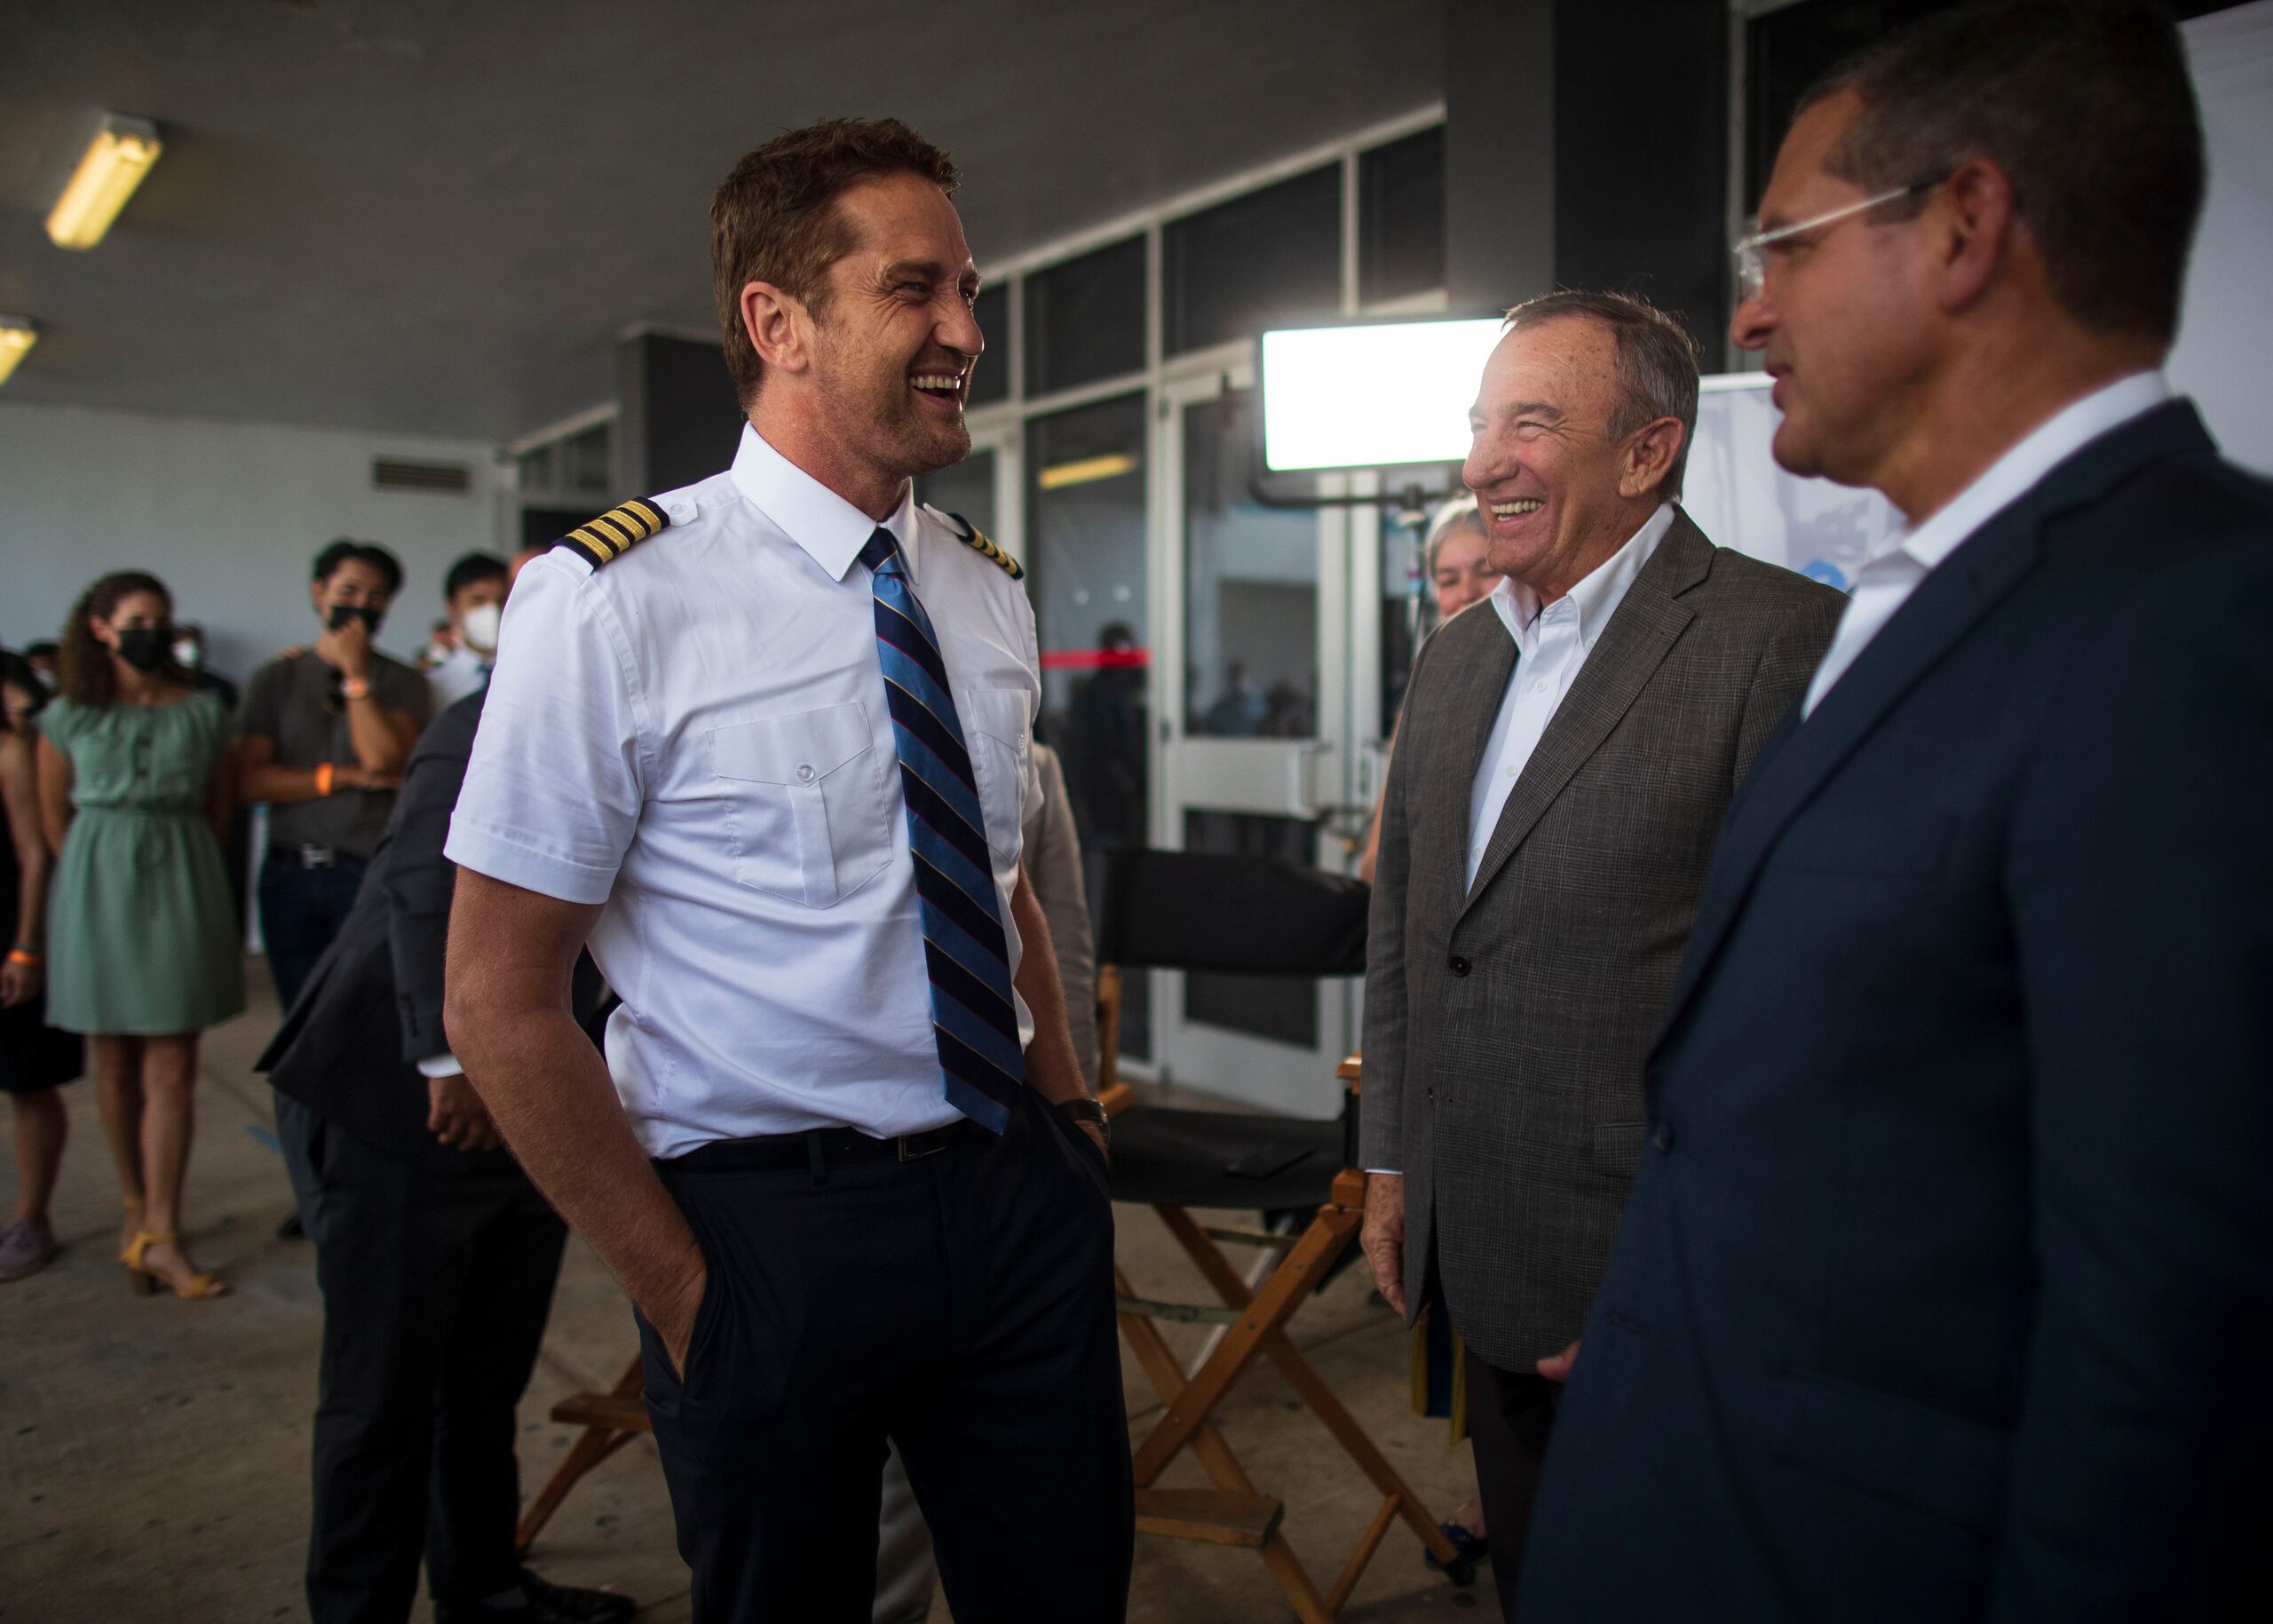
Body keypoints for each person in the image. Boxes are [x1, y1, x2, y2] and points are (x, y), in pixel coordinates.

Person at [1517, 7, 2273, 1620]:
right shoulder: (1920, 592)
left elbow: (2178, 1331)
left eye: (1785, 240)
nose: (1752, 304)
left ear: (1965, 227)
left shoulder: (2199, 625)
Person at [441, 117, 1130, 1622]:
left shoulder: (981, 586)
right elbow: (499, 997)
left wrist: (1068, 1118)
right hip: (767, 1236)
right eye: (919, 288)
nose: (969, 329)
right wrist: (687, 1296)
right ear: (779, 321)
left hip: (1015, 1205)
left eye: (970, 288)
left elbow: (995, 878)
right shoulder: (615, 598)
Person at [1358, 289, 1844, 1612]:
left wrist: (1685, 1268)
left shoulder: (1775, 643)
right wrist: (1393, 1159)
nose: (1481, 463)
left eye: (1531, 422)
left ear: (1647, 453)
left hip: (1661, 1288)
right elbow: (1411, 937)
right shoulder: (1458, 660)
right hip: (1488, 1254)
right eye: (1477, 426)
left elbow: (1797, 1013)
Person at [258, 676, 635, 1624]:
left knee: (483, 1374)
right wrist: (451, 1056)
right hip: (401, 1093)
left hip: (532, 1086)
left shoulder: (651, 708)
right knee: (380, 1393)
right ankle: (358, 1605)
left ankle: (483, 1586)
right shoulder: (497, 713)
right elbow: (427, 882)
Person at [36, 572, 247, 1299]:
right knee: (113, 1063)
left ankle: (163, 1227)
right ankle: (135, 1208)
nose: (150, 630)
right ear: (99, 627)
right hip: (96, 884)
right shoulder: (67, 716)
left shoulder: (203, 711)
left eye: (160, 617)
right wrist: (98, 877)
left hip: (181, 869)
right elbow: (53, 818)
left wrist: (178, 862)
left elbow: (221, 811)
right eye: (136, 619)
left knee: (172, 1065)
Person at [239, 537, 432, 1238]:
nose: (363, 604)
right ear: (319, 591)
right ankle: (312, 1186)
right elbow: (250, 781)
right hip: (292, 874)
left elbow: (388, 756)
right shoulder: (274, 681)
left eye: (378, 594)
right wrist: (341, 778)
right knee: (300, 1040)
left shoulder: (402, 683)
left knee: (365, 1034)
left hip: (364, 875)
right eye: (350, 589)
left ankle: (364, 1182)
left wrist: (356, 680)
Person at [1360, 495, 1501, 885]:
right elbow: (1377, 862)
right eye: (1449, 580)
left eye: (1486, 570)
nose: (1468, 591)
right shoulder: (1424, 702)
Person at [1, 650, 83, 1282]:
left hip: (12, 933)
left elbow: (35, 853)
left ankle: (31, 1216)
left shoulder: (12, 752)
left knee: (27, 1080)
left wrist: (27, 946)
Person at [424, 552, 510, 708]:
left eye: (502, 601)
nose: (493, 611)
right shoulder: (433, 684)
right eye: (478, 601)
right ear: (452, 608)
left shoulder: (531, 671)